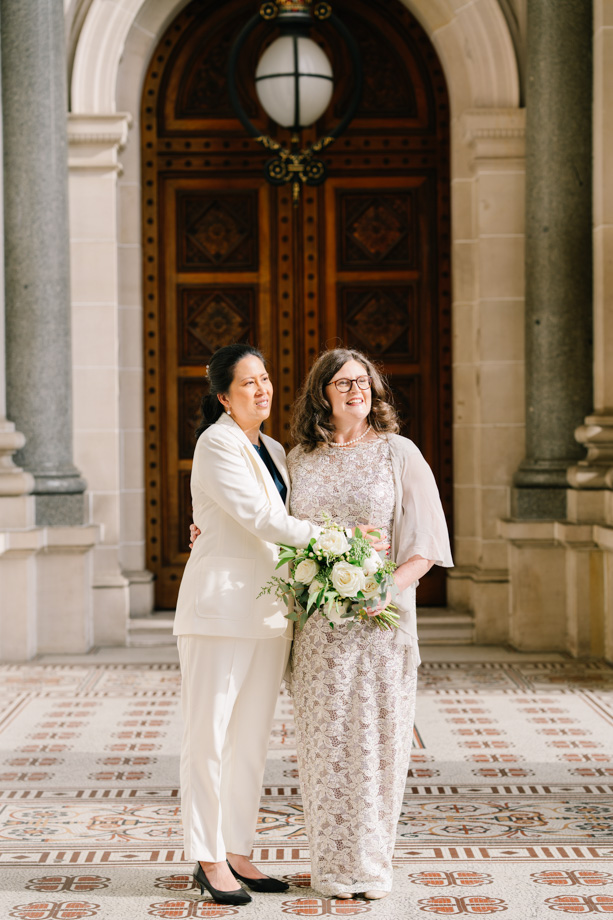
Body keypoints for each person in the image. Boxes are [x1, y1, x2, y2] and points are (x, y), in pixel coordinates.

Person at [176, 343, 383, 906]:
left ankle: (239, 851)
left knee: (248, 742)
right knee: (209, 737)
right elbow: (261, 518)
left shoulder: (271, 446)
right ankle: (209, 858)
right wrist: (336, 542)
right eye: (248, 383)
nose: (262, 390)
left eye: (265, 379)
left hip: (271, 614)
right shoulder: (216, 443)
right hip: (219, 615)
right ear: (224, 396)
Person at [287, 347, 453, 900]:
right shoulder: (298, 459)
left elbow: (426, 543)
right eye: (342, 384)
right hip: (318, 629)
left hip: (380, 622)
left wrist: (385, 586)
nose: (356, 391)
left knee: (377, 743)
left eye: (363, 382)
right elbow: (268, 527)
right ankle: (333, 869)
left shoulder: (398, 453)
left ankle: (372, 867)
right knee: (326, 744)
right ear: (321, 395)